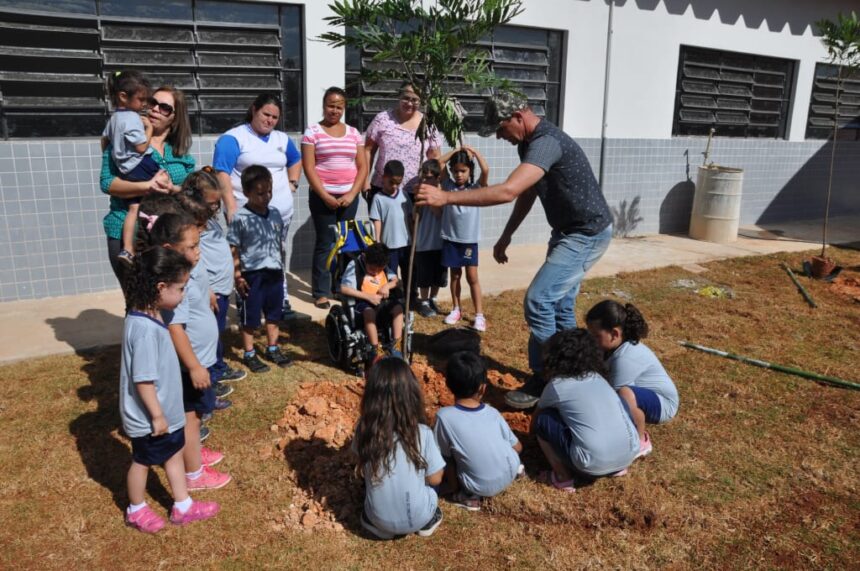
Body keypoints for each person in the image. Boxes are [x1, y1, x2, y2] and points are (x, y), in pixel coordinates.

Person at [415, 93, 614, 410]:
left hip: (586, 233)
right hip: (568, 231)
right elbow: (527, 191)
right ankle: (579, 373)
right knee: (560, 306)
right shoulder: (530, 144)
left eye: (501, 127)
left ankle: (551, 379)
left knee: (539, 300)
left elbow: (508, 190)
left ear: (519, 116)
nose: (498, 135)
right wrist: (507, 234)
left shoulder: (547, 142)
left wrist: (446, 198)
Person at [120, 246, 219, 532]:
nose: (184, 294)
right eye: (181, 288)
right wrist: (157, 416)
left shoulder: (153, 316)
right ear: (161, 287)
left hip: (167, 411)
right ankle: (136, 508)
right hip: (151, 417)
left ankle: (183, 505)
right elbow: (143, 379)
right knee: (142, 461)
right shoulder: (145, 331)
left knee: (173, 454)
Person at [148, 212, 233, 492]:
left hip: (202, 359)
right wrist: (195, 367)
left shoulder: (189, 269)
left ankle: (192, 451)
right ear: (171, 250)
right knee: (190, 418)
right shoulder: (174, 284)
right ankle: (194, 474)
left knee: (195, 416)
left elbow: (199, 283)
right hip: (190, 364)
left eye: (198, 244)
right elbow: (175, 329)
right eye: (193, 246)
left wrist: (207, 292)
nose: (198, 251)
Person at [213, 93, 302, 317]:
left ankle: (280, 300)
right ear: (254, 110)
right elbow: (221, 172)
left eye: (275, 117)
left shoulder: (282, 139)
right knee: (245, 257)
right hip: (246, 214)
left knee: (276, 254)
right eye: (266, 114)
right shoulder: (233, 138)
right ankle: (246, 300)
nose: (270, 120)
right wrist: (231, 206)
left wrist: (292, 184)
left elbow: (295, 159)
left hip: (279, 213)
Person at [101, 85, 195, 288]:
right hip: (127, 232)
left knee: (171, 300)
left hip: (169, 236)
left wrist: (173, 189)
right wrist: (146, 186)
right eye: (152, 103)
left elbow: (191, 190)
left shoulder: (181, 154)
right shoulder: (123, 143)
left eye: (164, 107)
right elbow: (107, 183)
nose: (154, 109)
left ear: (175, 117)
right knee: (138, 302)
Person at [531, 329, 639, 492]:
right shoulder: (598, 378)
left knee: (544, 420)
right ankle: (617, 467)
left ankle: (562, 477)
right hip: (628, 455)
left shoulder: (557, 385)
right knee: (618, 403)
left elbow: (535, 422)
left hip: (591, 465)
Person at [353, 358, 445, 539]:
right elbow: (435, 479)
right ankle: (427, 521)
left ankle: (381, 527)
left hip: (376, 519)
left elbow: (360, 464)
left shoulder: (364, 428)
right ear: (412, 394)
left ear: (371, 394)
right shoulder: (422, 433)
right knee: (431, 487)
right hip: (419, 517)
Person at [586, 300, 680, 457]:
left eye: (595, 336)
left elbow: (613, 399)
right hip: (640, 394)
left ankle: (640, 441)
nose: (591, 340)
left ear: (615, 334)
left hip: (663, 403)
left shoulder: (626, 357)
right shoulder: (611, 347)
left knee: (624, 394)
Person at [181, 169, 247, 389]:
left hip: (222, 287)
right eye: (211, 203)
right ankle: (211, 376)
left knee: (216, 333)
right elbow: (195, 260)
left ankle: (217, 367)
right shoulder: (193, 226)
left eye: (217, 202)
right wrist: (207, 289)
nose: (215, 207)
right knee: (208, 336)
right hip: (210, 290)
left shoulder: (211, 219)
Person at [302, 86, 367, 309]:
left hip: (349, 197)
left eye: (339, 106)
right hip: (322, 196)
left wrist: (352, 194)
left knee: (346, 244)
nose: (335, 110)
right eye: (331, 105)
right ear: (323, 105)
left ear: (344, 108)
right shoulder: (312, 132)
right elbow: (309, 168)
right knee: (326, 243)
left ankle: (341, 287)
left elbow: (362, 167)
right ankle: (321, 291)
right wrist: (325, 195)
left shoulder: (354, 133)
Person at [433, 351, 523, 511]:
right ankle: (516, 470)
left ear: (447, 385)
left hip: (480, 486)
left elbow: (445, 459)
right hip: (511, 470)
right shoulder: (492, 412)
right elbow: (518, 447)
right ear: (483, 388)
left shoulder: (444, 417)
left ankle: (466, 495)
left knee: (445, 453)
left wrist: (454, 488)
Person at [227, 165, 293, 373]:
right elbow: (233, 248)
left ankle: (273, 347)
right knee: (251, 317)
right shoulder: (240, 218)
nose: (266, 197)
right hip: (251, 275)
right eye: (260, 193)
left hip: (274, 272)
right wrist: (237, 275)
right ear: (246, 192)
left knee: (274, 313)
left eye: (269, 192)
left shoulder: (274, 213)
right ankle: (249, 353)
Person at [102, 71, 157, 266]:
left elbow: (104, 142)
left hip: (126, 170)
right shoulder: (133, 118)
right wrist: (148, 129)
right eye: (141, 99)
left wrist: (118, 160)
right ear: (123, 97)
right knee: (162, 180)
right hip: (140, 165)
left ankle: (127, 249)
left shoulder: (113, 118)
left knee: (134, 207)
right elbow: (141, 147)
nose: (144, 104)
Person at [363, 82, 442, 204]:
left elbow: (435, 158)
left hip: (415, 191)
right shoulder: (382, 119)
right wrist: (365, 181)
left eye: (415, 100)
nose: (410, 103)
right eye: (406, 98)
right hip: (382, 188)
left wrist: (435, 186)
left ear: (421, 101)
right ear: (399, 96)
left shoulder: (427, 124)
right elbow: (368, 150)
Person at [439, 147, 489, 331]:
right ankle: (456, 309)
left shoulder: (476, 188)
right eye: (456, 171)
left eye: (463, 171)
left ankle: (479, 315)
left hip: (469, 240)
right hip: (451, 239)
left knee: (472, 277)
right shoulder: (448, 185)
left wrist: (474, 152)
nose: (459, 174)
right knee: (455, 275)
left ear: (470, 171)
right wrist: (455, 152)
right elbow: (438, 163)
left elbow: (485, 170)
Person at [339, 242, 404, 361]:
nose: (375, 272)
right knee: (369, 312)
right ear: (365, 257)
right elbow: (344, 288)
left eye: (379, 270)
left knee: (398, 309)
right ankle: (375, 349)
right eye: (372, 269)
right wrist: (368, 297)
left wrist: (388, 286)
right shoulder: (355, 265)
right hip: (363, 302)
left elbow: (397, 281)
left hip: (383, 303)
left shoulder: (382, 266)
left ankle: (396, 346)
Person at [412, 159, 447, 318]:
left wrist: (431, 197)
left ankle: (433, 298)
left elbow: (439, 213)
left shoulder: (442, 194)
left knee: (438, 274)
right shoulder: (419, 195)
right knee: (424, 275)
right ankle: (424, 301)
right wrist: (418, 203)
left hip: (439, 241)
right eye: (424, 177)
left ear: (437, 178)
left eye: (430, 177)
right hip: (424, 242)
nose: (426, 181)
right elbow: (414, 216)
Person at [369, 161, 411, 278]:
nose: (394, 186)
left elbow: (409, 217)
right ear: (384, 177)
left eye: (398, 183)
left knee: (409, 273)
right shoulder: (378, 198)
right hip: (389, 246)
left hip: (406, 244)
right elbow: (377, 220)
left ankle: (411, 295)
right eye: (391, 182)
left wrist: (414, 238)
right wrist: (377, 241)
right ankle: (393, 296)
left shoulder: (405, 195)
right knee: (390, 275)